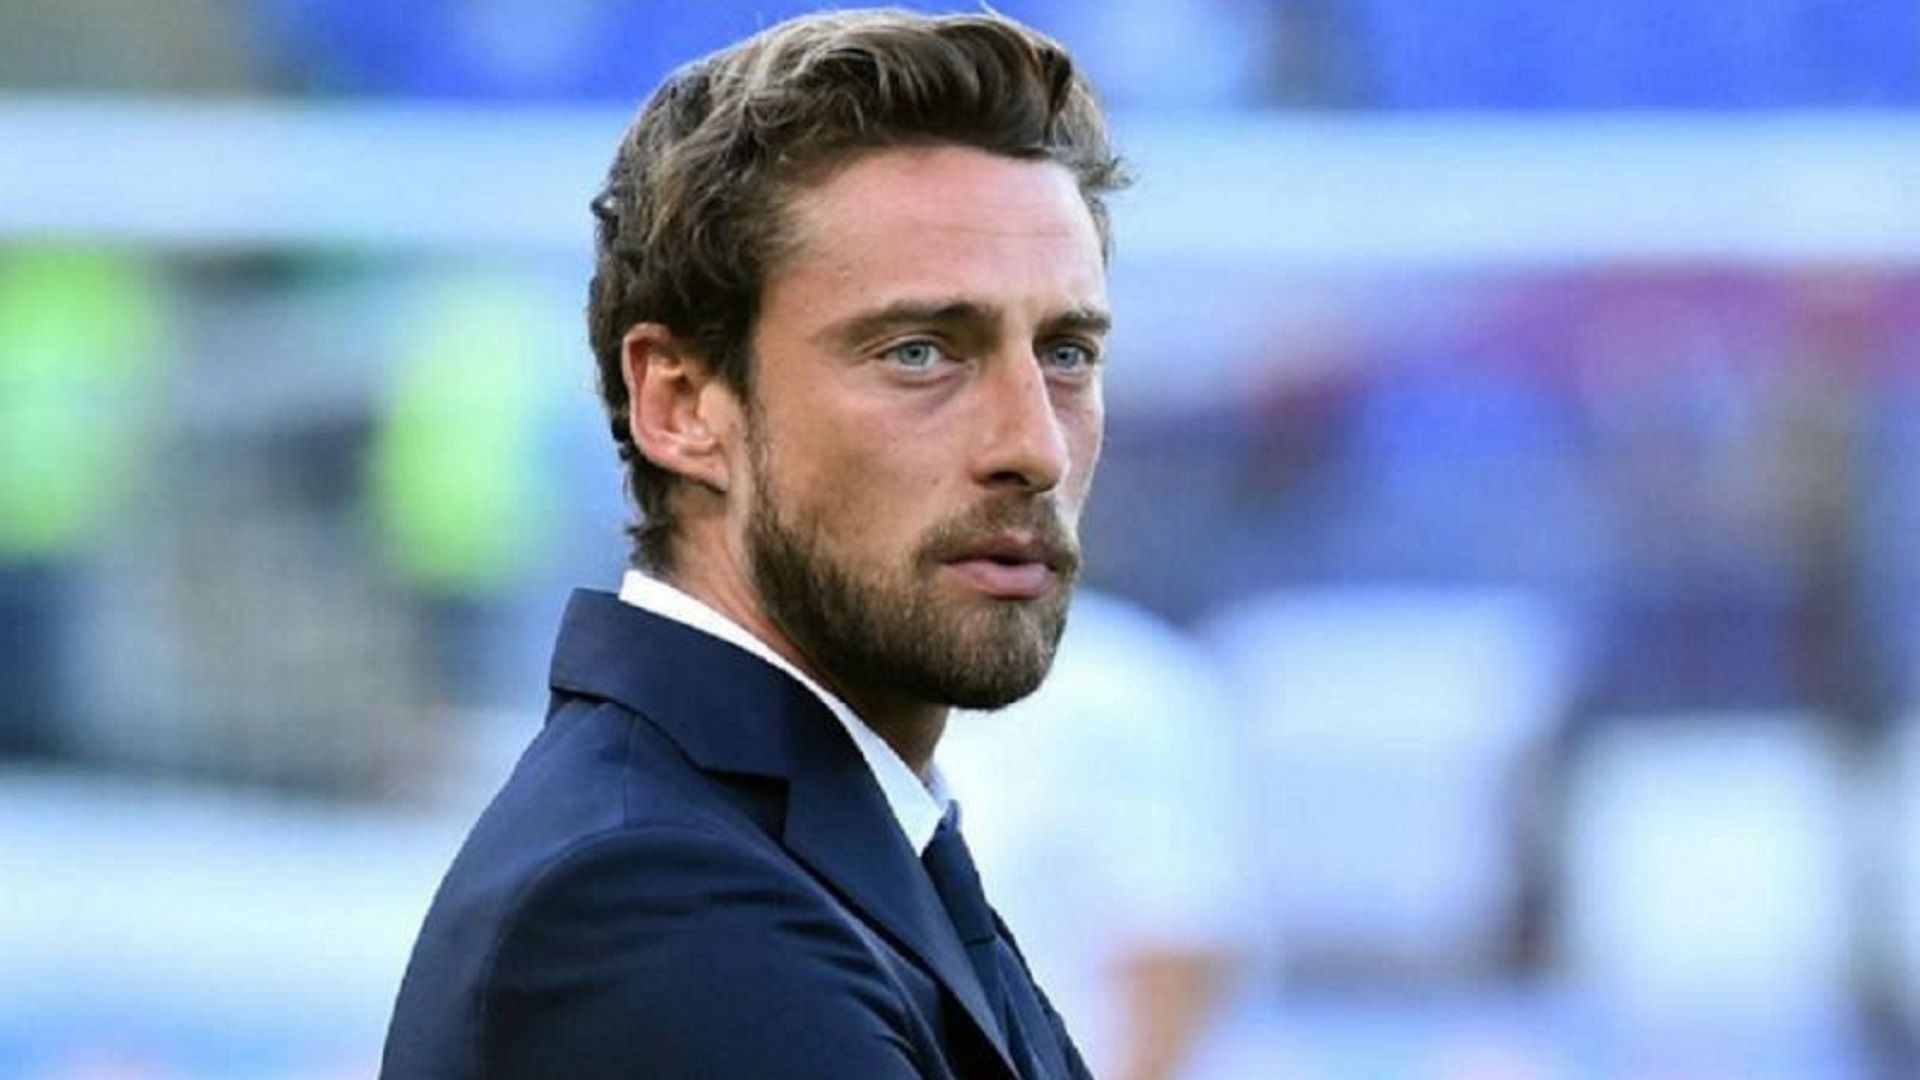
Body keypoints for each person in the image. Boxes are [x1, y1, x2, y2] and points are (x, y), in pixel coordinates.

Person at [381, 10, 1126, 1079]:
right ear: (682, 404)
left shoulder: (825, 840)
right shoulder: (654, 908)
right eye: (920, 353)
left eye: (1066, 354)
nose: (1034, 446)